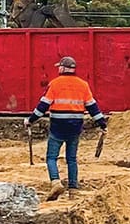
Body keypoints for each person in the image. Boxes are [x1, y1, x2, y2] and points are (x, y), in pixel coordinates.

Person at [28, 55, 107, 189]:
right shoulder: (83, 85)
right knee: (71, 158)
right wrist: (102, 124)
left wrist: (31, 120)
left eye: (59, 67)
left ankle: (55, 182)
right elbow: (93, 107)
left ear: (63, 68)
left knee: (51, 157)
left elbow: (43, 106)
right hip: (75, 127)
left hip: (58, 126)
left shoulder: (54, 84)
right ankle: (73, 186)